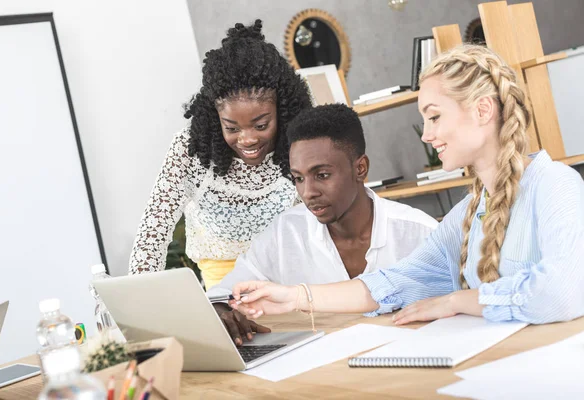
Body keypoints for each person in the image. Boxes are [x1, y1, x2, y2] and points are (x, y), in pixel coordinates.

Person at [228, 45, 584, 326]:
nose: (427, 135)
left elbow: (564, 290)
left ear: (482, 111)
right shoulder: (466, 215)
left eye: (435, 116)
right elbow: (393, 283)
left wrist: (455, 301)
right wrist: (295, 297)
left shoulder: (555, 185)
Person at [208, 104, 438, 345]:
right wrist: (223, 312)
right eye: (298, 178)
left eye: (322, 175)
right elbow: (221, 296)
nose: (308, 192)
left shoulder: (420, 233)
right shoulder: (286, 233)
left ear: (360, 169)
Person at [128, 20, 312, 288]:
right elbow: (152, 234)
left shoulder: (299, 139)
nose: (248, 139)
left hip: (291, 275)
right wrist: (138, 303)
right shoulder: (189, 151)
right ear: (216, 118)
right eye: (232, 127)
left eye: (261, 125)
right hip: (225, 288)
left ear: (282, 111)